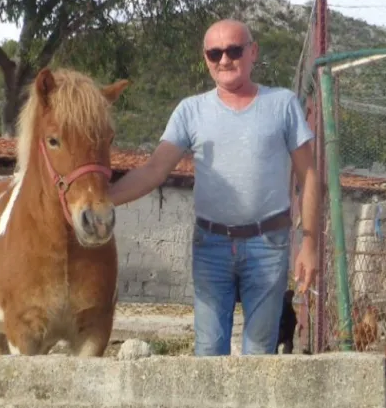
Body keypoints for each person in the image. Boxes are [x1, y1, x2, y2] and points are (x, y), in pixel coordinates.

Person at [108, 18, 321, 356]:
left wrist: (309, 244)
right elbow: (154, 170)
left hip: (269, 245)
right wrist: (101, 200)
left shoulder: (282, 105)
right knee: (208, 351)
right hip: (211, 247)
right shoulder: (190, 111)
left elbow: (309, 175)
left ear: (253, 52)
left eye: (234, 50)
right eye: (214, 53)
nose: (224, 60)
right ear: (205, 58)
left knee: (260, 352)